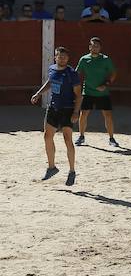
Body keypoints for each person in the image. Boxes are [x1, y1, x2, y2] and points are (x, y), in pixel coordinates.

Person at [30, 46, 82, 186]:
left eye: (64, 57)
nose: (61, 58)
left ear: (68, 58)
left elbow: (78, 95)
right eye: (59, 56)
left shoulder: (72, 73)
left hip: (67, 109)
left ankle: (72, 171)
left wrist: (76, 112)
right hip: (53, 107)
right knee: (47, 136)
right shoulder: (52, 69)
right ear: (55, 57)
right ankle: (52, 167)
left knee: (67, 139)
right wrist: (39, 93)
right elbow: (50, 82)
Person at [75, 37, 118, 147]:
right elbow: (77, 74)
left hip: (103, 92)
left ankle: (111, 138)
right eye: (93, 46)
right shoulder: (84, 59)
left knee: (108, 115)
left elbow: (113, 73)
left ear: (100, 48)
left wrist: (106, 84)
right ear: (89, 47)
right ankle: (81, 136)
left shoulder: (105, 59)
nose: (94, 48)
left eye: (97, 46)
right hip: (88, 91)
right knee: (83, 114)